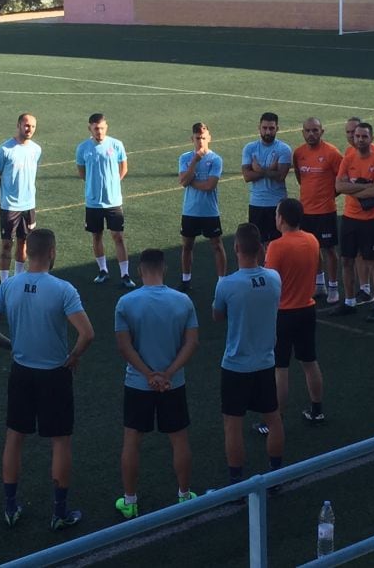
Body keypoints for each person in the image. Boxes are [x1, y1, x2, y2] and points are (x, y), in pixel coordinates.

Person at [0, 229, 95, 531]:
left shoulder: (10, 286)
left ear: (27, 252)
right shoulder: (63, 289)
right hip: (55, 374)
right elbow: (87, 334)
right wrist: (74, 356)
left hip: (21, 371)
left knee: (14, 438)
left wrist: (10, 345)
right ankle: (59, 512)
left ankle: (11, 506)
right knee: (60, 442)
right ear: (53, 252)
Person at [112, 249, 200, 519]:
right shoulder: (183, 301)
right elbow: (191, 343)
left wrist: (149, 375)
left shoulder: (126, 303)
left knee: (132, 441)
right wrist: (168, 373)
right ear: (165, 268)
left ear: (139, 270)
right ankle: (184, 496)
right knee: (179, 439)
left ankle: (130, 501)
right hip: (173, 384)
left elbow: (124, 347)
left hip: (138, 384)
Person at [213, 223, 284, 485]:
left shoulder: (228, 285)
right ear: (261, 249)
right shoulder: (275, 278)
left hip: (236, 365)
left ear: (236, 248)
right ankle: (276, 475)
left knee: (233, 424)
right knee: (273, 418)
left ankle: (235, 481)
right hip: (266, 362)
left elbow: (217, 316)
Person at [266, 199, 327, 425]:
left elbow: (270, 281)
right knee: (310, 361)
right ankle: (317, 409)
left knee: (280, 367)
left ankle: (277, 418)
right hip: (307, 309)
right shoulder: (312, 240)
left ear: (281, 218)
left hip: (283, 313)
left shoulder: (277, 246)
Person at [333, 122, 374, 321]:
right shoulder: (348, 157)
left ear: (371, 139)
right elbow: (339, 186)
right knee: (347, 260)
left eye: (364, 136)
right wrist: (362, 187)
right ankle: (350, 301)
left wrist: (354, 186)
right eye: (357, 136)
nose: (359, 139)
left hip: (372, 220)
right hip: (350, 218)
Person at [76, 113, 135, 288]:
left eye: (101, 128)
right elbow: (82, 172)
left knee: (118, 236)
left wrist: (113, 183)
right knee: (97, 235)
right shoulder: (83, 148)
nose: (99, 131)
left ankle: (125, 274)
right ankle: (103, 270)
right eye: (95, 128)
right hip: (93, 202)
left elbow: (123, 167)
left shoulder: (116, 145)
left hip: (113, 201)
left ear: (106, 127)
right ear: (90, 129)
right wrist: (94, 185)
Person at [293, 117, 343, 304]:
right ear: (302, 132)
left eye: (315, 130)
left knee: (329, 250)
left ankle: (333, 287)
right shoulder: (298, 153)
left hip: (326, 211)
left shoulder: (332, 153)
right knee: (312, 250)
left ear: (322, 131)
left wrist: (329, 195)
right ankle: (319, 284)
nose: (311, 134)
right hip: (305, 211)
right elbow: (300, 177)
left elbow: (341, 180)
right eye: (307, 130)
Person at [0, 113, 41, 282]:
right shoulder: (5, 149)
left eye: (33, 126)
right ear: (19, 125)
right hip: (9, 206)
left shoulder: (36, 149)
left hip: (29, 205)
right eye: (26, 125)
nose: (30, 129)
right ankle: (4, 281)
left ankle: (18, 277)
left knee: (24, 242)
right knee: (7, 244)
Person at [178, 122, 226, 291]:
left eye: (204, 138)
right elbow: (183, 182)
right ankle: (186, 280)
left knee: (217, 245)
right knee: (187, 246)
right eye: (198, 138)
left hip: (210, 212)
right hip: (190, 211)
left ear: (209, 138)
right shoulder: (185, 158)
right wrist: (195, 161)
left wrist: (191, 181)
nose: (201, 141)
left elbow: (209, 186)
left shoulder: (215, 159)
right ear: (192, 138)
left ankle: (221, 281)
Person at [240, 112, 292, 249]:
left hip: (277, 205)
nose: (267, 131)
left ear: (277, 129)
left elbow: (281, 176)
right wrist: (270, 170)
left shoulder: (284, 149)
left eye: (271, 128)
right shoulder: (249, 148)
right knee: (257, 245)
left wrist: (259, 170)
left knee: (277, 244)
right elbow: (247, 176)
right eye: (265, 128)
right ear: (259, 128)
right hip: (256, 203)